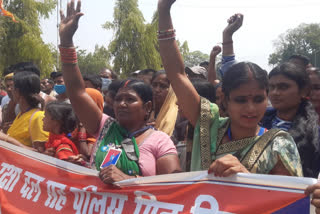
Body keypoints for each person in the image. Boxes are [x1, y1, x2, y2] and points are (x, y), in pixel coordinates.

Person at [158, 0, 302, 176]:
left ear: (267, 98)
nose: (251, 108)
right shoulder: (208, 124)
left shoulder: (278, 145)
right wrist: (164, 9)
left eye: (258, 99)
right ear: (225, 100)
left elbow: (289, 199)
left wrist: (245, 178)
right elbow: (177, 74)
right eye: (241, 100)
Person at [58, 0, 181, 184]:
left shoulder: (160, 141)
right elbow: (77, 92)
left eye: (130, 99)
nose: (121, 104)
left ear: (147, 107)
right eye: (118, 99)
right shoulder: (105, 126)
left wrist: (129, 180)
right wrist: (67, 42)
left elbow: (173, 186)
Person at [260, 62, 320, 178]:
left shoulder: (315, 135)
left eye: (283, 87)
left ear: (303, 91)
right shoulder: (257, 123)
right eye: (271, 87)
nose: (275, 93)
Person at [7, 71, 49, 152]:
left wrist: (6, 139)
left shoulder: (38, 117)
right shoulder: (21, 114)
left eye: (12, 87)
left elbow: (43, 154)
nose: (10, 90)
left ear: (18, 92)